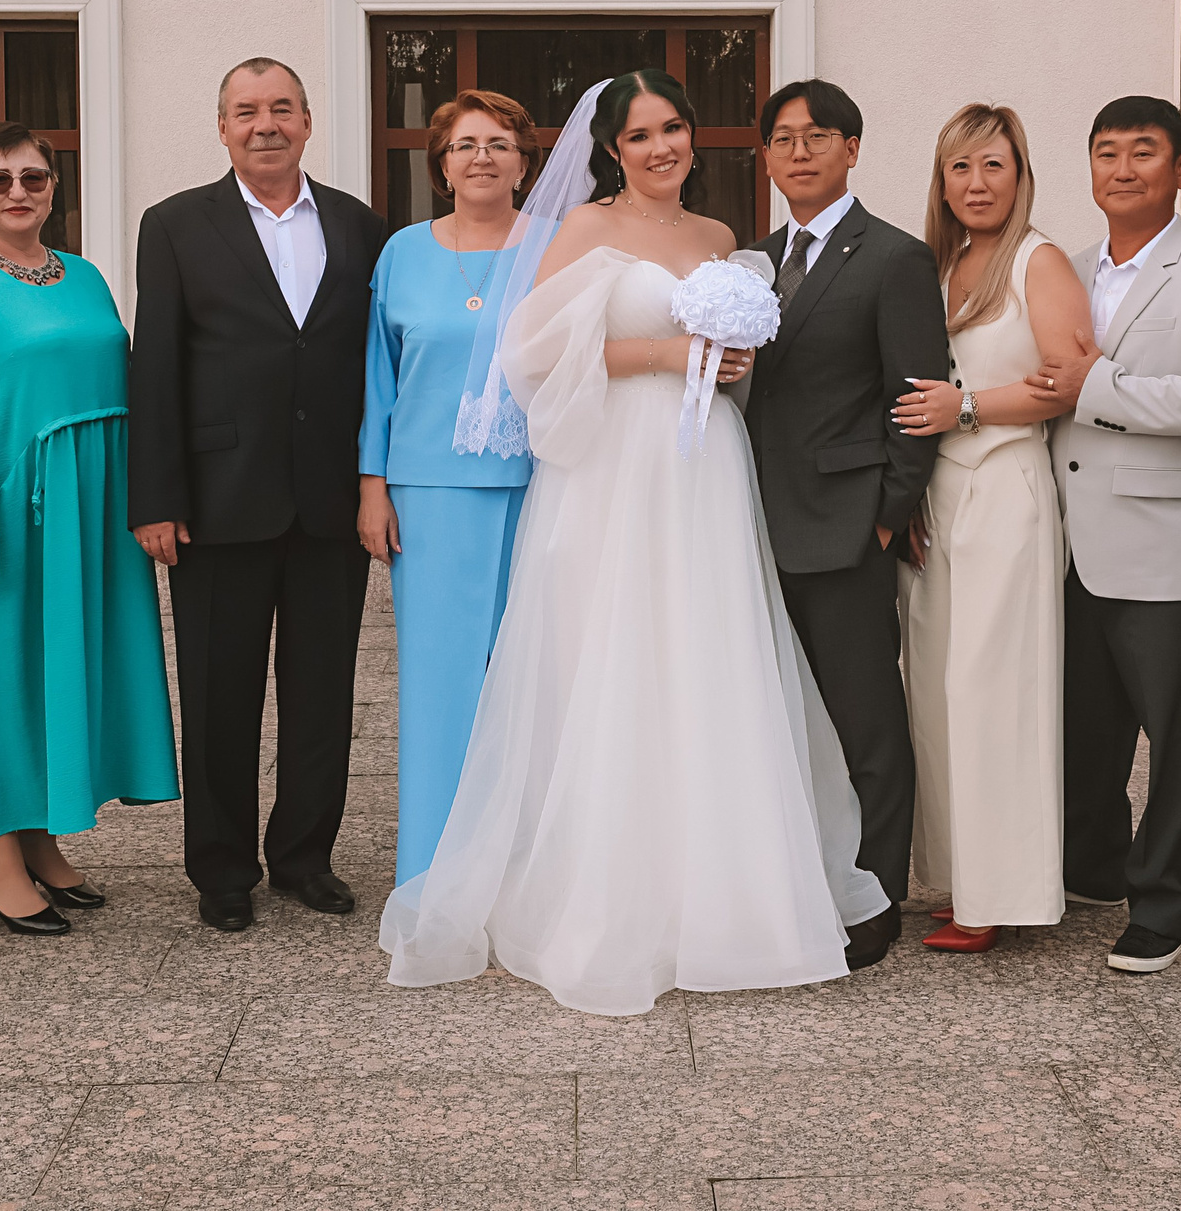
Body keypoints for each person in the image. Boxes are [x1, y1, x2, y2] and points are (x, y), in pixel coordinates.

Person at [380, 72, 890, 1016]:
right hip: (613, 468)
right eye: (641, 134)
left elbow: (736, 372)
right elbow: (527, 355)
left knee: (707, 658)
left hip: (703, 467)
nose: (661, 147)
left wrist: (730, 364)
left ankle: (723, 888)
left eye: (675, 129)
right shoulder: (582, 231)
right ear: (612, 149)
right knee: (609, 660)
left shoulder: (718, 239)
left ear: (695, 139)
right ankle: (605, 894)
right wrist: (664, 355)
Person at [129, 58, 387, 933]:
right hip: (216, 501)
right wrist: (154, 497)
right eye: (247, 110)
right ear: (223, 126)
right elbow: (154, 365)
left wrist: (373, 481)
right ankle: (224, 868)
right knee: (218, 692)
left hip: (329, 506)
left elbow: (373, 366)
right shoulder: (172, 225)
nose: (265, 123)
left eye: (281, 108)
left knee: (321, 692)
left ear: (309, 123)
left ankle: (305, 856)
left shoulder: (360, 227)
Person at [0, 121, 181, 935]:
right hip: (3, 513)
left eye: (33, 177)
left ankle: (40, 835)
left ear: (54, 188)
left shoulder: (87, 276)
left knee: (58, 669)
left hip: (89, 513)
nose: (18, 191)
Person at [1024, 96, 1181, 976]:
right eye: (1107, 153)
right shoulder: (1068, 268)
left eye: (1143, 153)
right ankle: (1093, 867)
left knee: (1178, 738)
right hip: (1070, 540)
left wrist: (1102, 385)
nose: (1123, 169)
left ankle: (1168, 902)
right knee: (1085, 726)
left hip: (1168, 540)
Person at [738, 78, 951, 971]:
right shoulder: (750, 262)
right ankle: (795, 873)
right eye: (782, 138)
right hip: (749, 521)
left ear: (852, 149)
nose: (798, 151)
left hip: (842, 524)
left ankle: (876, 894)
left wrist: (886, 516)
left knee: (863, 717)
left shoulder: (893, 257)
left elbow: (914, 394)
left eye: (817, 136)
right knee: (780, 716)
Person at [892, 104, 1090, 953]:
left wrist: (965, 406)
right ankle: (960, 876)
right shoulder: (935, 263)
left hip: (1006, 486)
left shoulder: (1037, 261)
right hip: (938, 495)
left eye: (994, 167)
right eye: (961, 168)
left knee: (992, 691)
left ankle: (1003, 888)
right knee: (934, 689)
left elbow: (1072, 378)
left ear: (1021, 175)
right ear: (942, 181)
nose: (977, 184)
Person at [357, 90, 541, 885]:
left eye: (499, 142)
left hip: (543, 484)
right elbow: (378, 377)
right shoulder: (400, 251)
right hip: (428, 494)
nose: (482, 157)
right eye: (465, 144)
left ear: (524, 162)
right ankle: (435, 873)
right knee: (440, 683)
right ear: (440, 164)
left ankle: (530, 870)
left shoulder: (557, 246)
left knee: (535, 674)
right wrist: (373, 484)